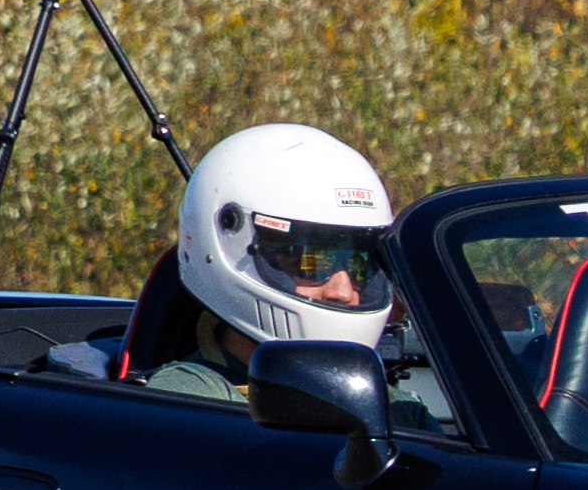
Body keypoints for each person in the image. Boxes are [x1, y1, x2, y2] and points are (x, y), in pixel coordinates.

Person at [130, 123, 393, 398]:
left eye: (359, 266)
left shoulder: (397, 408)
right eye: (310, 263)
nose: (343, 292)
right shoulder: (190, 400)